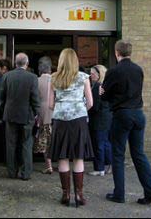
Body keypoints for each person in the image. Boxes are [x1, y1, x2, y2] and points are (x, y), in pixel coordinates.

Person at [100, 40, 151, 205]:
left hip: (122, 114)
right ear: (130, 52)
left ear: (116, 52)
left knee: (118, 155)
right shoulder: (138, 70)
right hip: (138, 114)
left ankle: (119, 194)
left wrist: (101, 92)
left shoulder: (113, 71)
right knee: (139, 154)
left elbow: (104, 95)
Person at [48, 48, 94, 207]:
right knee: (78, 156)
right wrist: (79, 109)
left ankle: (66, 194)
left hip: (60, 121)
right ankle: (79, 195)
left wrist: (62, 108)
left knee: (63, 156)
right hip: (79, 120)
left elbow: (49, 104)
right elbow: (90, 102)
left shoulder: (54, 78)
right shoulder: (83, 77)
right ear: (75, 61)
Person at [0, 53, 40, 180]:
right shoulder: (32, 77)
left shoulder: (6, 76)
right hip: (27, 115)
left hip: (10, 114)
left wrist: (3, 110)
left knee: (11, 144)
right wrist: (37, 113)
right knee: (26, 144)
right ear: (27, 64)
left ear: (16, 63)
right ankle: (25, 173)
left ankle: (11, 172)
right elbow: (35, 98)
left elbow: (1, 98)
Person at [87, 64, 113, 177]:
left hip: (98, 119)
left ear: (99, 75)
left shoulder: (97, 86)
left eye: (93, 74)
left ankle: (99, 168)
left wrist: (86, 109)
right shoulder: (105, 85)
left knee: (98, 144)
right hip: (107, 118)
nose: (90, 75)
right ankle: (111, 164)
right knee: (106, 143)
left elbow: (95, 106)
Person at [33, 56, 54, 174]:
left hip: (42, 112)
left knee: (45, 139)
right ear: (50, 68)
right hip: (55, 111)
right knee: (55, 138)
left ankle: (48, 165)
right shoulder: (56, 80)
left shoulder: (36, 80)